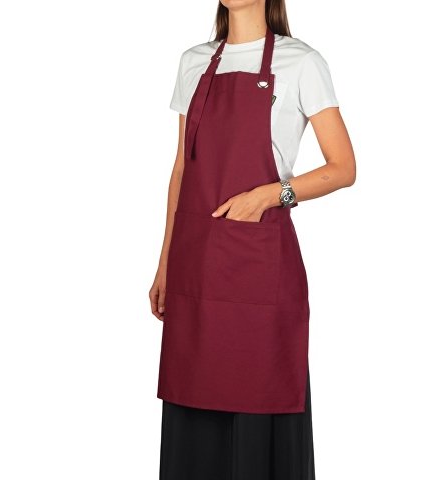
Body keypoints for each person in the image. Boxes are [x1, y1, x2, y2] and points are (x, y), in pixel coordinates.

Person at [149, 0, 356, 478]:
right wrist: (165, 264)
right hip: (196, 269)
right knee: (194, 412)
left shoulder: (301, 62)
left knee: (259, 402)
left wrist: (270, 194)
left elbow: (343, 168)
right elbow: (182, 169)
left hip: (258, 270)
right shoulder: (194, 61)